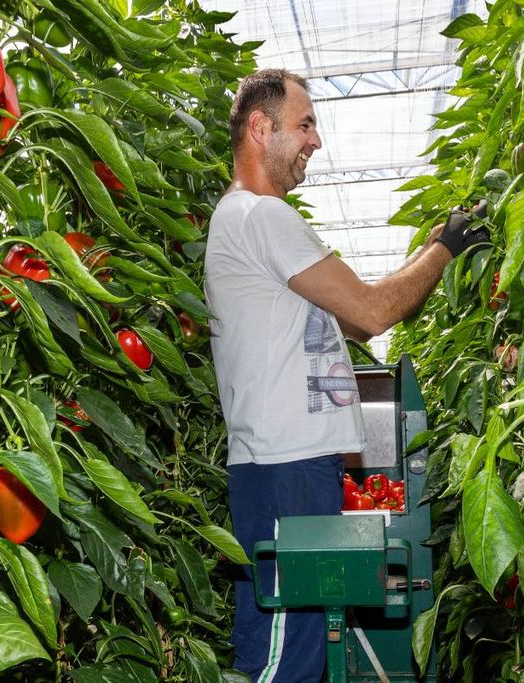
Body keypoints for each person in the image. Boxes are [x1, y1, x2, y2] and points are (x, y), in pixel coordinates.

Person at [203, 68, 489, 682]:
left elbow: (357, 325)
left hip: (292, 466)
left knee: (294, 646)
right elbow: (373, 310)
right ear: (261, 128)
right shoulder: (260, 217)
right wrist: (447, 248)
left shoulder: (248, 222)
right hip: (285, 469)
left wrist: (434, 243)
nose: (316, 140)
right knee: (282, 658)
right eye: (304, 124)